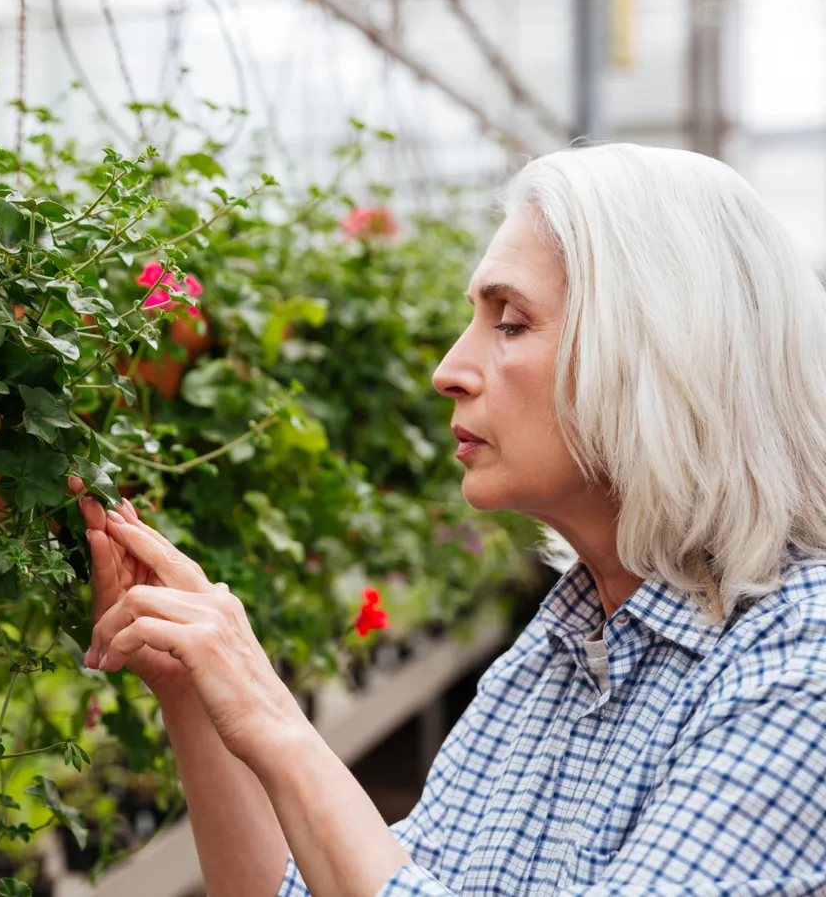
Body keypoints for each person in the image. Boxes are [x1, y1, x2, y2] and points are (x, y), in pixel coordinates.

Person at [69, 143, 826, 896]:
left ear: (661, 352)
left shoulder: (798, 669)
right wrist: (192, 692)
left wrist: (277, 722)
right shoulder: (560, 657)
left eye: (511, 321)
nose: (447, 370)